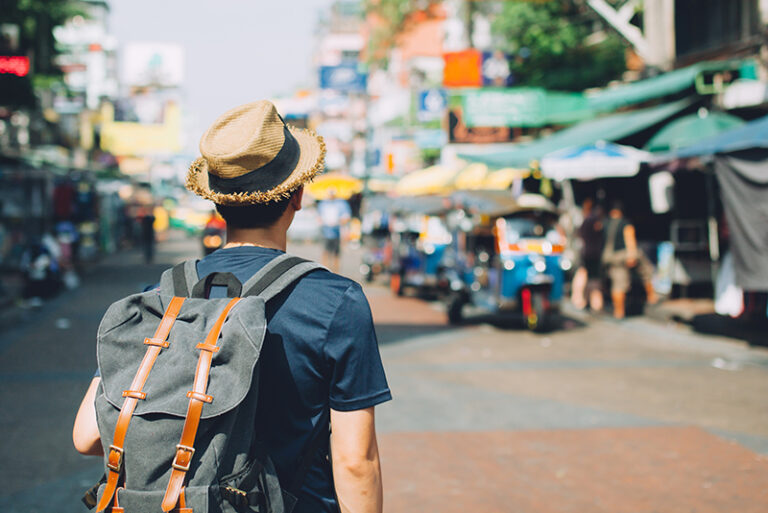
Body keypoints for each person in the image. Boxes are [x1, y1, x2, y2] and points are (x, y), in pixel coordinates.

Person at [73, 100, 390, 513]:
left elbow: (87, 436)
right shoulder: (335, 301)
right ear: (297, 195)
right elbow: (355, 460)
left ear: (217, 202)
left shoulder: (160, 299)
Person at [601, 201, 657, 319]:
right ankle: (651, 296)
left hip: (610, 257)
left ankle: (618, 312)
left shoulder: (604, 223)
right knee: (646, 271)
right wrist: (632, 255)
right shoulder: (625, 223)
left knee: (617, 283)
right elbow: (630, 238)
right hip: (623, 254)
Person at [570, 198, 604, 312]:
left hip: (585, 252)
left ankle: (582, 300)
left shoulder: (584, 220)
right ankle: (593, 302)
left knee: (585, 276)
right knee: (592, 279)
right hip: (593, 254)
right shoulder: (593, 220)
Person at [317, 188, 351, 273]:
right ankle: (324, 271)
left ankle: (336, 272)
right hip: (326, 231)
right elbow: (318, 216)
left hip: (337, 231)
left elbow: (347, 216)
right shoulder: (323, 203)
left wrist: (339, 221)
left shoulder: (341, 203)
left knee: (336, 254)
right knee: (325, 252)